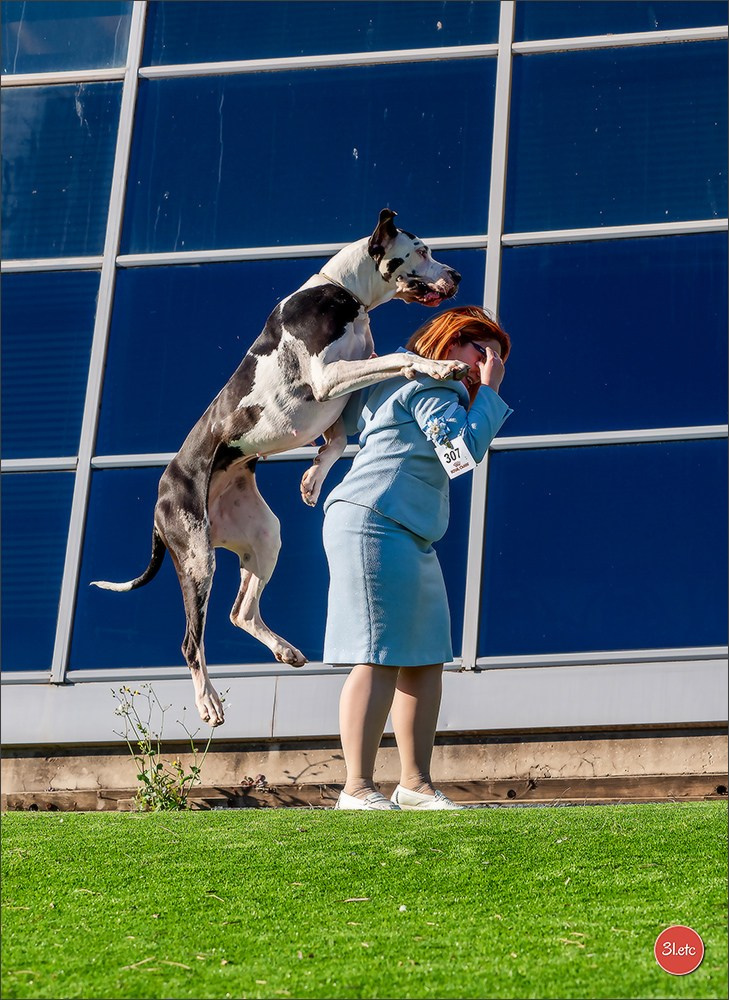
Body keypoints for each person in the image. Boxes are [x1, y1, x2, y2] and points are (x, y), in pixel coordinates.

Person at [321, 306, 512, 810]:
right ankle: (357, 788)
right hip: (375, 520)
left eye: (494, 358)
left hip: (406, 531)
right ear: (451, 344)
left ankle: (415, 784)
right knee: (378, 651)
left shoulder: (403, 383)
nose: (488, 363)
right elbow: (459, 455)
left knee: (426, 655)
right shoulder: (435, 386)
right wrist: (488, 392)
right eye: (482, 351)